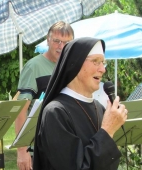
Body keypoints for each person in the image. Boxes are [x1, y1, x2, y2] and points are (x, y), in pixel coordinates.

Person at [33, 37, 128, 170]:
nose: (102, 69)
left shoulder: (99, 108)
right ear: (75, 64)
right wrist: (107, 131)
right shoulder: (56, 112)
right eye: (95, 61)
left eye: (103, 62)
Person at [15, 21, 74, 170]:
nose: (61, 46)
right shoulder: (34, 66)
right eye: (57, 41)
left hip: (69, 148)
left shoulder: (73, 66)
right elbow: (21, 110)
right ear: (48, 40)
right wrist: (22, 150)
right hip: (42, 151)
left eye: (67, 43)